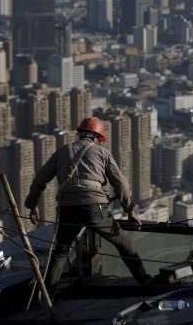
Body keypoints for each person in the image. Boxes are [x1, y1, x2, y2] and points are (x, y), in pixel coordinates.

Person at [24, 116, 151, 293]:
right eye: (100, 139)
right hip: (95, 207)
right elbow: (121, 183)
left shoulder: (62, 152)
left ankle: (48, 294)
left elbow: (39, 180)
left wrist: (32, 205)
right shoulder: (102, 153)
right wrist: (130, 211)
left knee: (61, 252)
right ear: (96, 137)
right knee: (124, 244)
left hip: (67, 208)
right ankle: (144, 281)